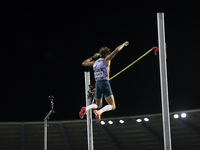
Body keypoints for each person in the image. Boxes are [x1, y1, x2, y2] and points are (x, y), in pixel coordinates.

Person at [79, 41, 129, 121]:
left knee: (98, 104)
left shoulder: (95, 62)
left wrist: (93, 56)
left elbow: (84, 63)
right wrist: (123, 44)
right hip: (105, 83)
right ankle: (99, 112)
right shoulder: (107, 60)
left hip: (97, 84)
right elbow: (116, 50)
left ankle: (86, 108)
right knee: (113, 105)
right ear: (107, 54)